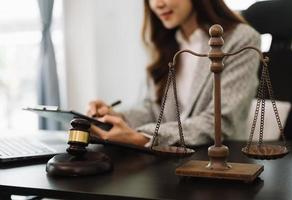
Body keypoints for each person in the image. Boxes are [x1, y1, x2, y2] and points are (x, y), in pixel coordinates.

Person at [87, 0, 260, 147]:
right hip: (169, 160)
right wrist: (117, 117)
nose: (157, 4)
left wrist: (145, 137)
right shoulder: (167, 43)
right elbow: (154, 110)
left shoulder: (241, 39)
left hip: (220, 163)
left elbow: (221, 121)